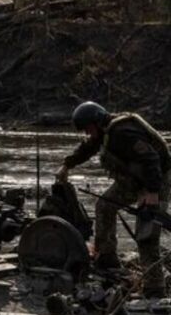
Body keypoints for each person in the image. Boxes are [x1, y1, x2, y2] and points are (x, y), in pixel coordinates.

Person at [56, 101, 170, 295]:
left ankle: (154, 288)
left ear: (97, 122)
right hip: (133, 180)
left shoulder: (122, 133)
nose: (87, 133)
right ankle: (106, 257)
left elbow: (151, 159)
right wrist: (67, 165)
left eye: (88, 129)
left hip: (156, 180)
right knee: (104, 206)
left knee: (146, 235)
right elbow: (88, 147)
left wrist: (151, 193)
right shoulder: (105, 131)